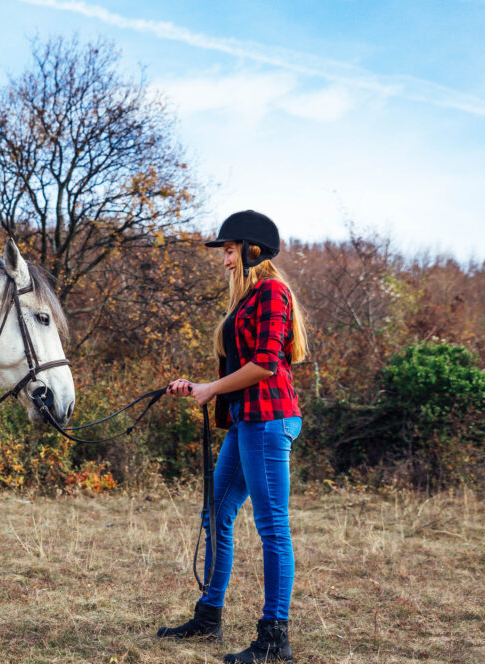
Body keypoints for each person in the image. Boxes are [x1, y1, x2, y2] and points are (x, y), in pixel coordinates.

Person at [157, 210, 308, 663]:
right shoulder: (246, 299)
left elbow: (264, 364)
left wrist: (209, 390)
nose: (224, 260)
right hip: (247, 420)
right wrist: (199, 386)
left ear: (251, 250)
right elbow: (241, 370)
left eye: (228, 249)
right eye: (224, 251)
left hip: (268, 420)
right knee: (217, 512)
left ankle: (274, 639)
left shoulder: (272, 291)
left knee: (272, 527)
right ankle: (208, 618)